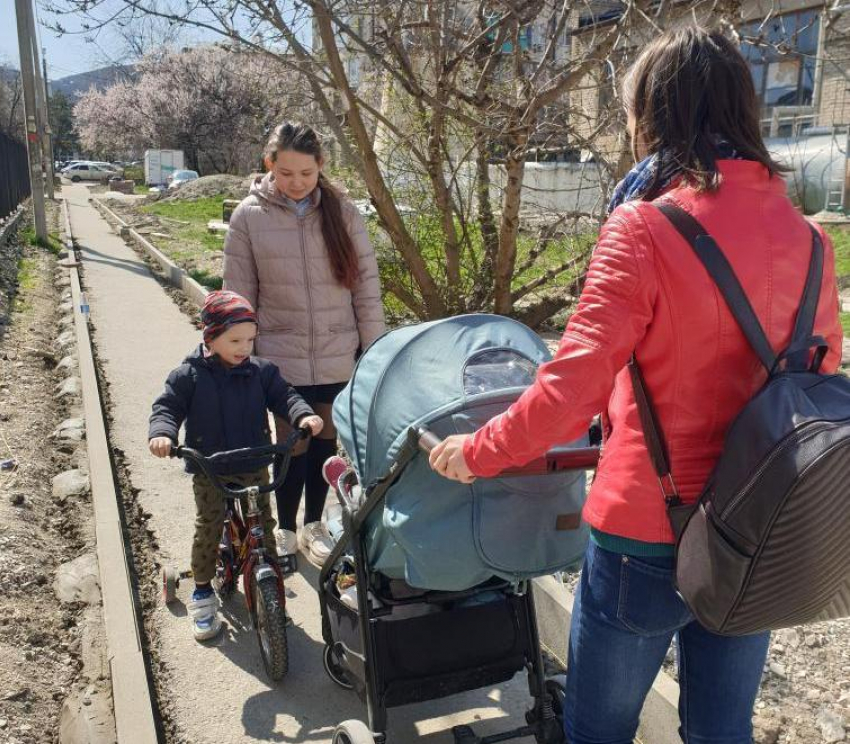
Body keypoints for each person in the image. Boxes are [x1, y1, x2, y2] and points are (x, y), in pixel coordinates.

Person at [429, 27, 842, 744]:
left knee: (600, 730)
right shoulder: (811, 239)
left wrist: (479, 451)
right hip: (760, 526)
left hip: (649, 531)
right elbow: (819, 380)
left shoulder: (644, 227)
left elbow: (571, 387)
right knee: (722, 732)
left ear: (654, 117)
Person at [224, 121, 385, 568]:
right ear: (269, 163)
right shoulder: (248, 218)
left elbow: (365, 287)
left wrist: (373, 351)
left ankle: (314, 523)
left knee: (325, 443)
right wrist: (240, 357)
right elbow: (238, 295)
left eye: (307, 174)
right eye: (286, 172)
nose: (296, 183)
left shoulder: (343, 213)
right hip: (281, 358)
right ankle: (285, 528)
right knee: (291, 444)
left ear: (321, 168)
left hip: (338, 354)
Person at [148, 290, 324, 641]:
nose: (244, 347)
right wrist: (163, 434)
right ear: (210, 337)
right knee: (210, 525)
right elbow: (167, 407)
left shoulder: (260, 372)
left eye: (249, 339)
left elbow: (284, 395)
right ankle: (201, 590)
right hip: (210, 467)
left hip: (254, 460)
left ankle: (270, 587)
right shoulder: (189, 375)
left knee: (263, 524)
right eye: (235, 340)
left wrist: (303, 413)